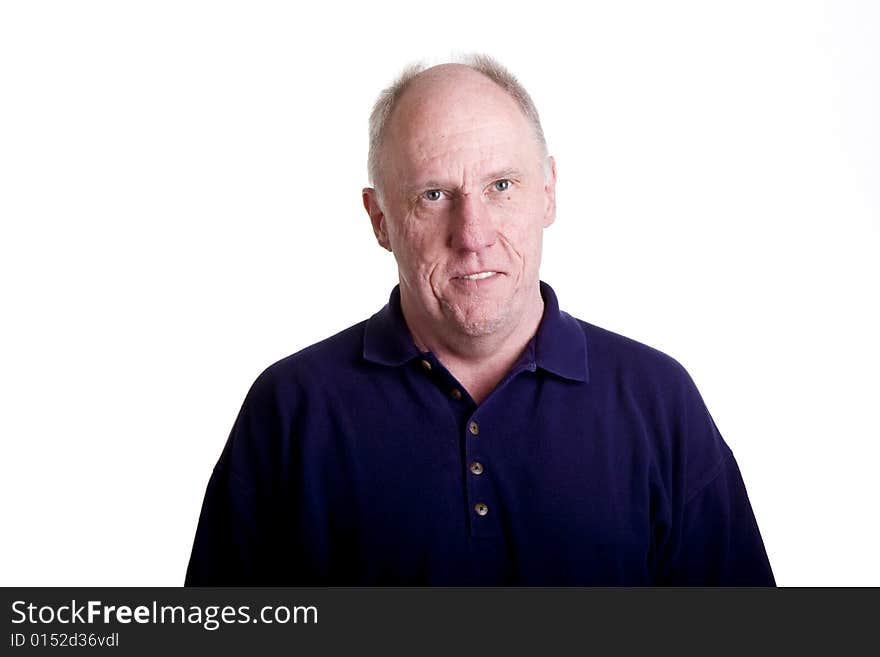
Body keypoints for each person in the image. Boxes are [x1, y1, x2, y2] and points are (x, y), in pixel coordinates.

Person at [185, 54, 775, 586]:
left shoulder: (657, 400)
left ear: (547, 191)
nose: (473, 235)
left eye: (501, 186)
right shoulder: (290, 410)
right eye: (434, 195)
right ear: (380, 218)